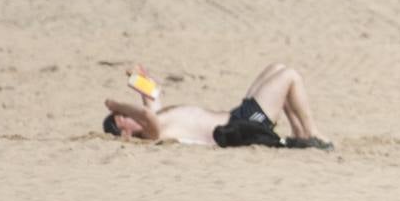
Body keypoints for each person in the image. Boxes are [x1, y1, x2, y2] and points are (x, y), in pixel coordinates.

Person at [101, 62, 333, 149]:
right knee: (289, 76)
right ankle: (310, 133)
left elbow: (152, 95)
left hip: (237, 115)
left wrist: (141, 78)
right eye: (124, 117)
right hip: (242, 125)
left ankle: (300, 134)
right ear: (125, 132)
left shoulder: (155, 117)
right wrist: (116, 105)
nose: (129, 114)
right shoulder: (153, 132)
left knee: (277, 68)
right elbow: (144, 113)